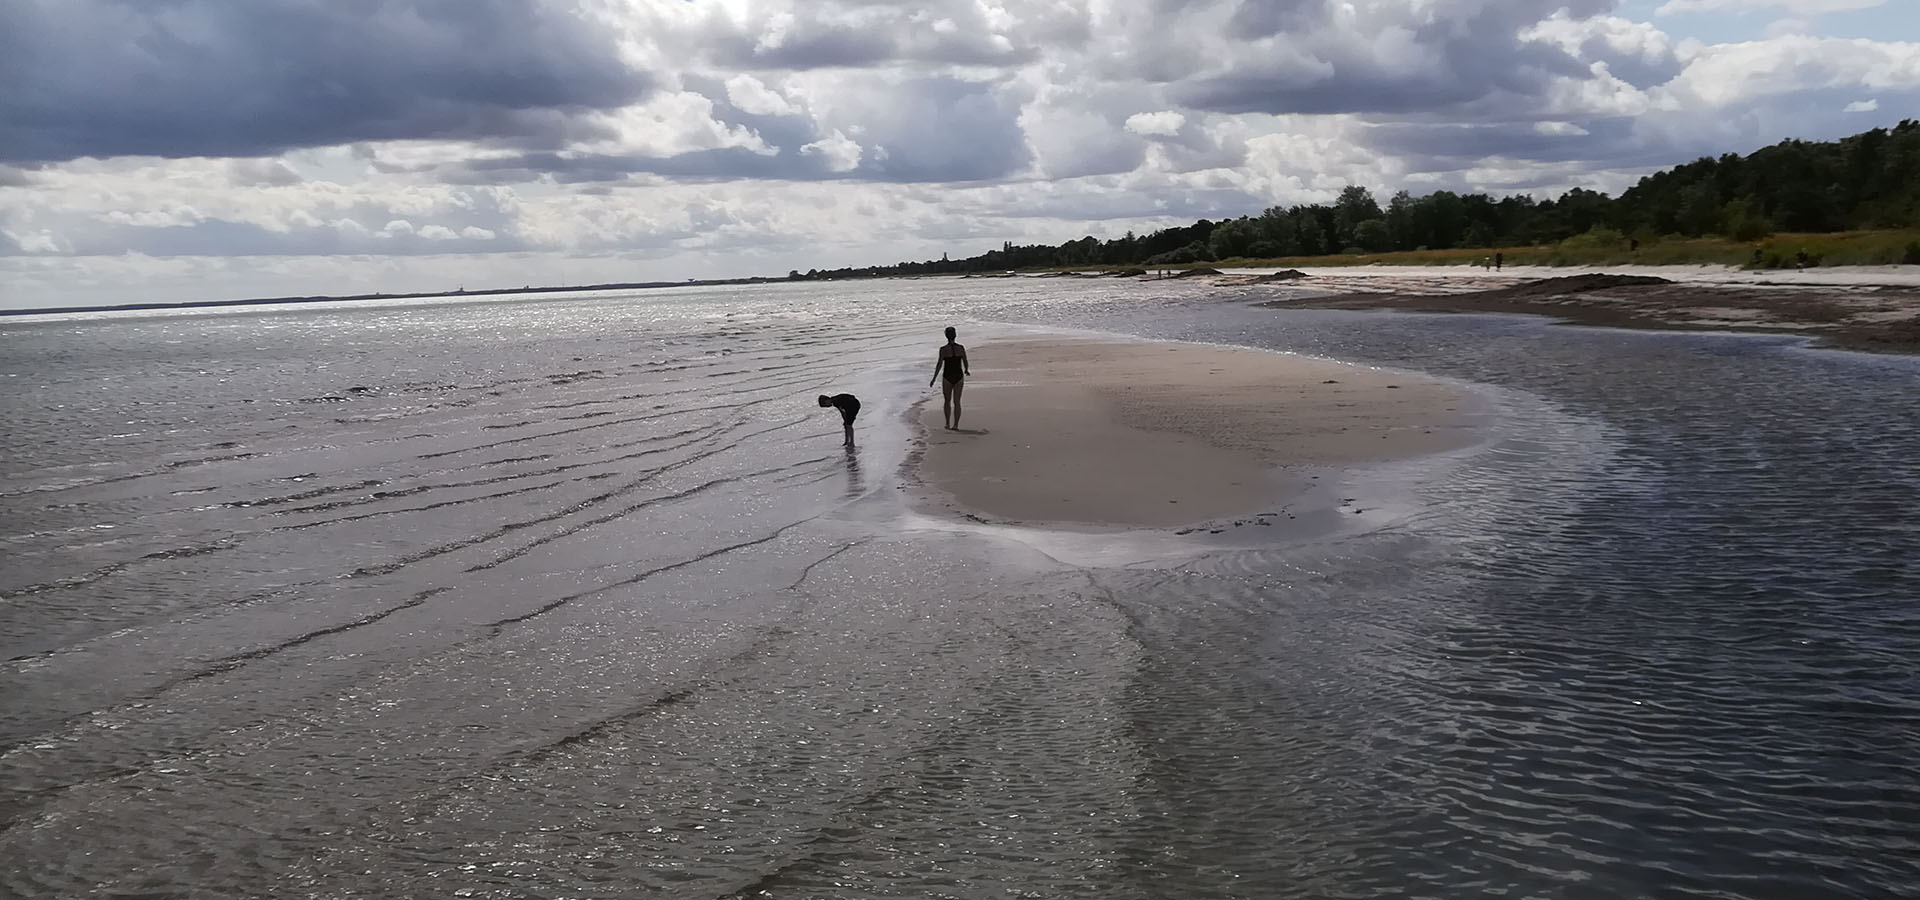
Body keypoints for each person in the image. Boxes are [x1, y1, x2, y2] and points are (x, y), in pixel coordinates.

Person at [929, 326, 969, 430]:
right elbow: (965, 361)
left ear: (946, 336)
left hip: (947, 376)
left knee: (947, 401)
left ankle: (947, 423)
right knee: (957, 402)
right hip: (959, 376)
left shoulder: (943, 349)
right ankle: (955, 425)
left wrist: (934, 378)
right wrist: (966, 370)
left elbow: (939, 364)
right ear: (955, 335)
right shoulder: (960, 348)